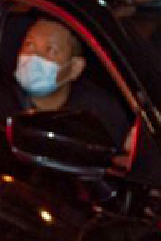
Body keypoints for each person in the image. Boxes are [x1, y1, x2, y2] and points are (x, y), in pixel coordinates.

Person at [12, 18, 131, 156]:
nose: (34, 56)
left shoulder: (101, 114)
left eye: (51, 50)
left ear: (74, 68)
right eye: (29, 45)